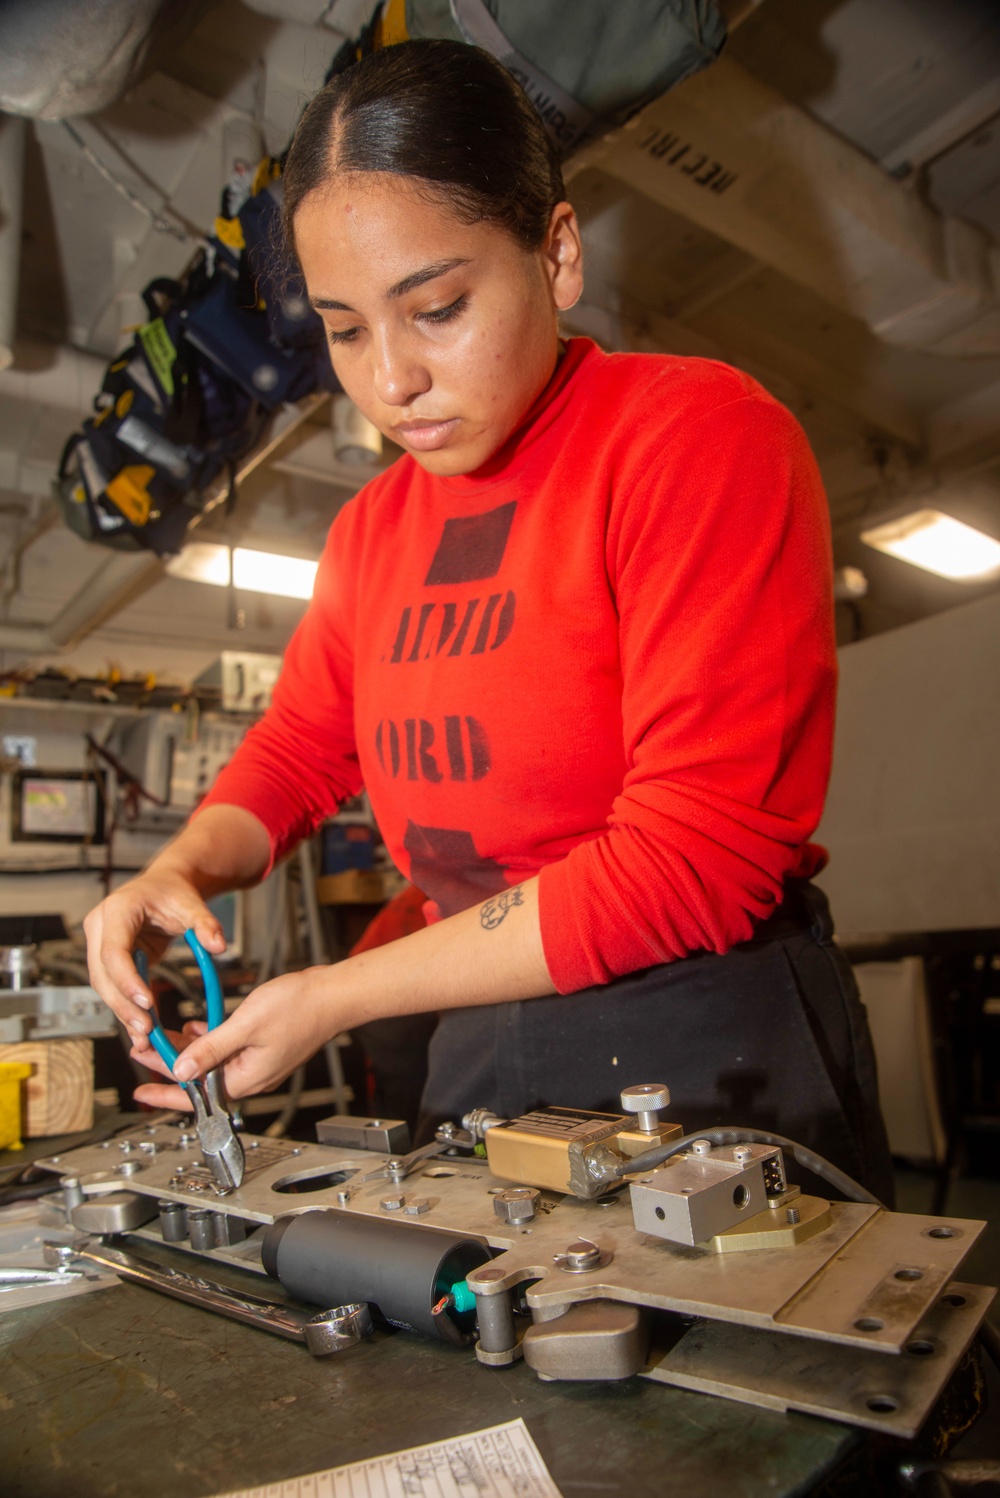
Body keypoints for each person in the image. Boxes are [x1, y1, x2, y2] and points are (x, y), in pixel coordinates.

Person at [85, 39, 893, 1204]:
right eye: (346, 330)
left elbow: (695, 855)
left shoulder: (692, 438)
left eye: (438, 307)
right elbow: (301, 746)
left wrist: (339, 994)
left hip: (701, 1027)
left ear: (556, 252)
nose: (391, 380)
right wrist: (180, 866)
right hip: (466, 1025)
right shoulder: (371, 531)